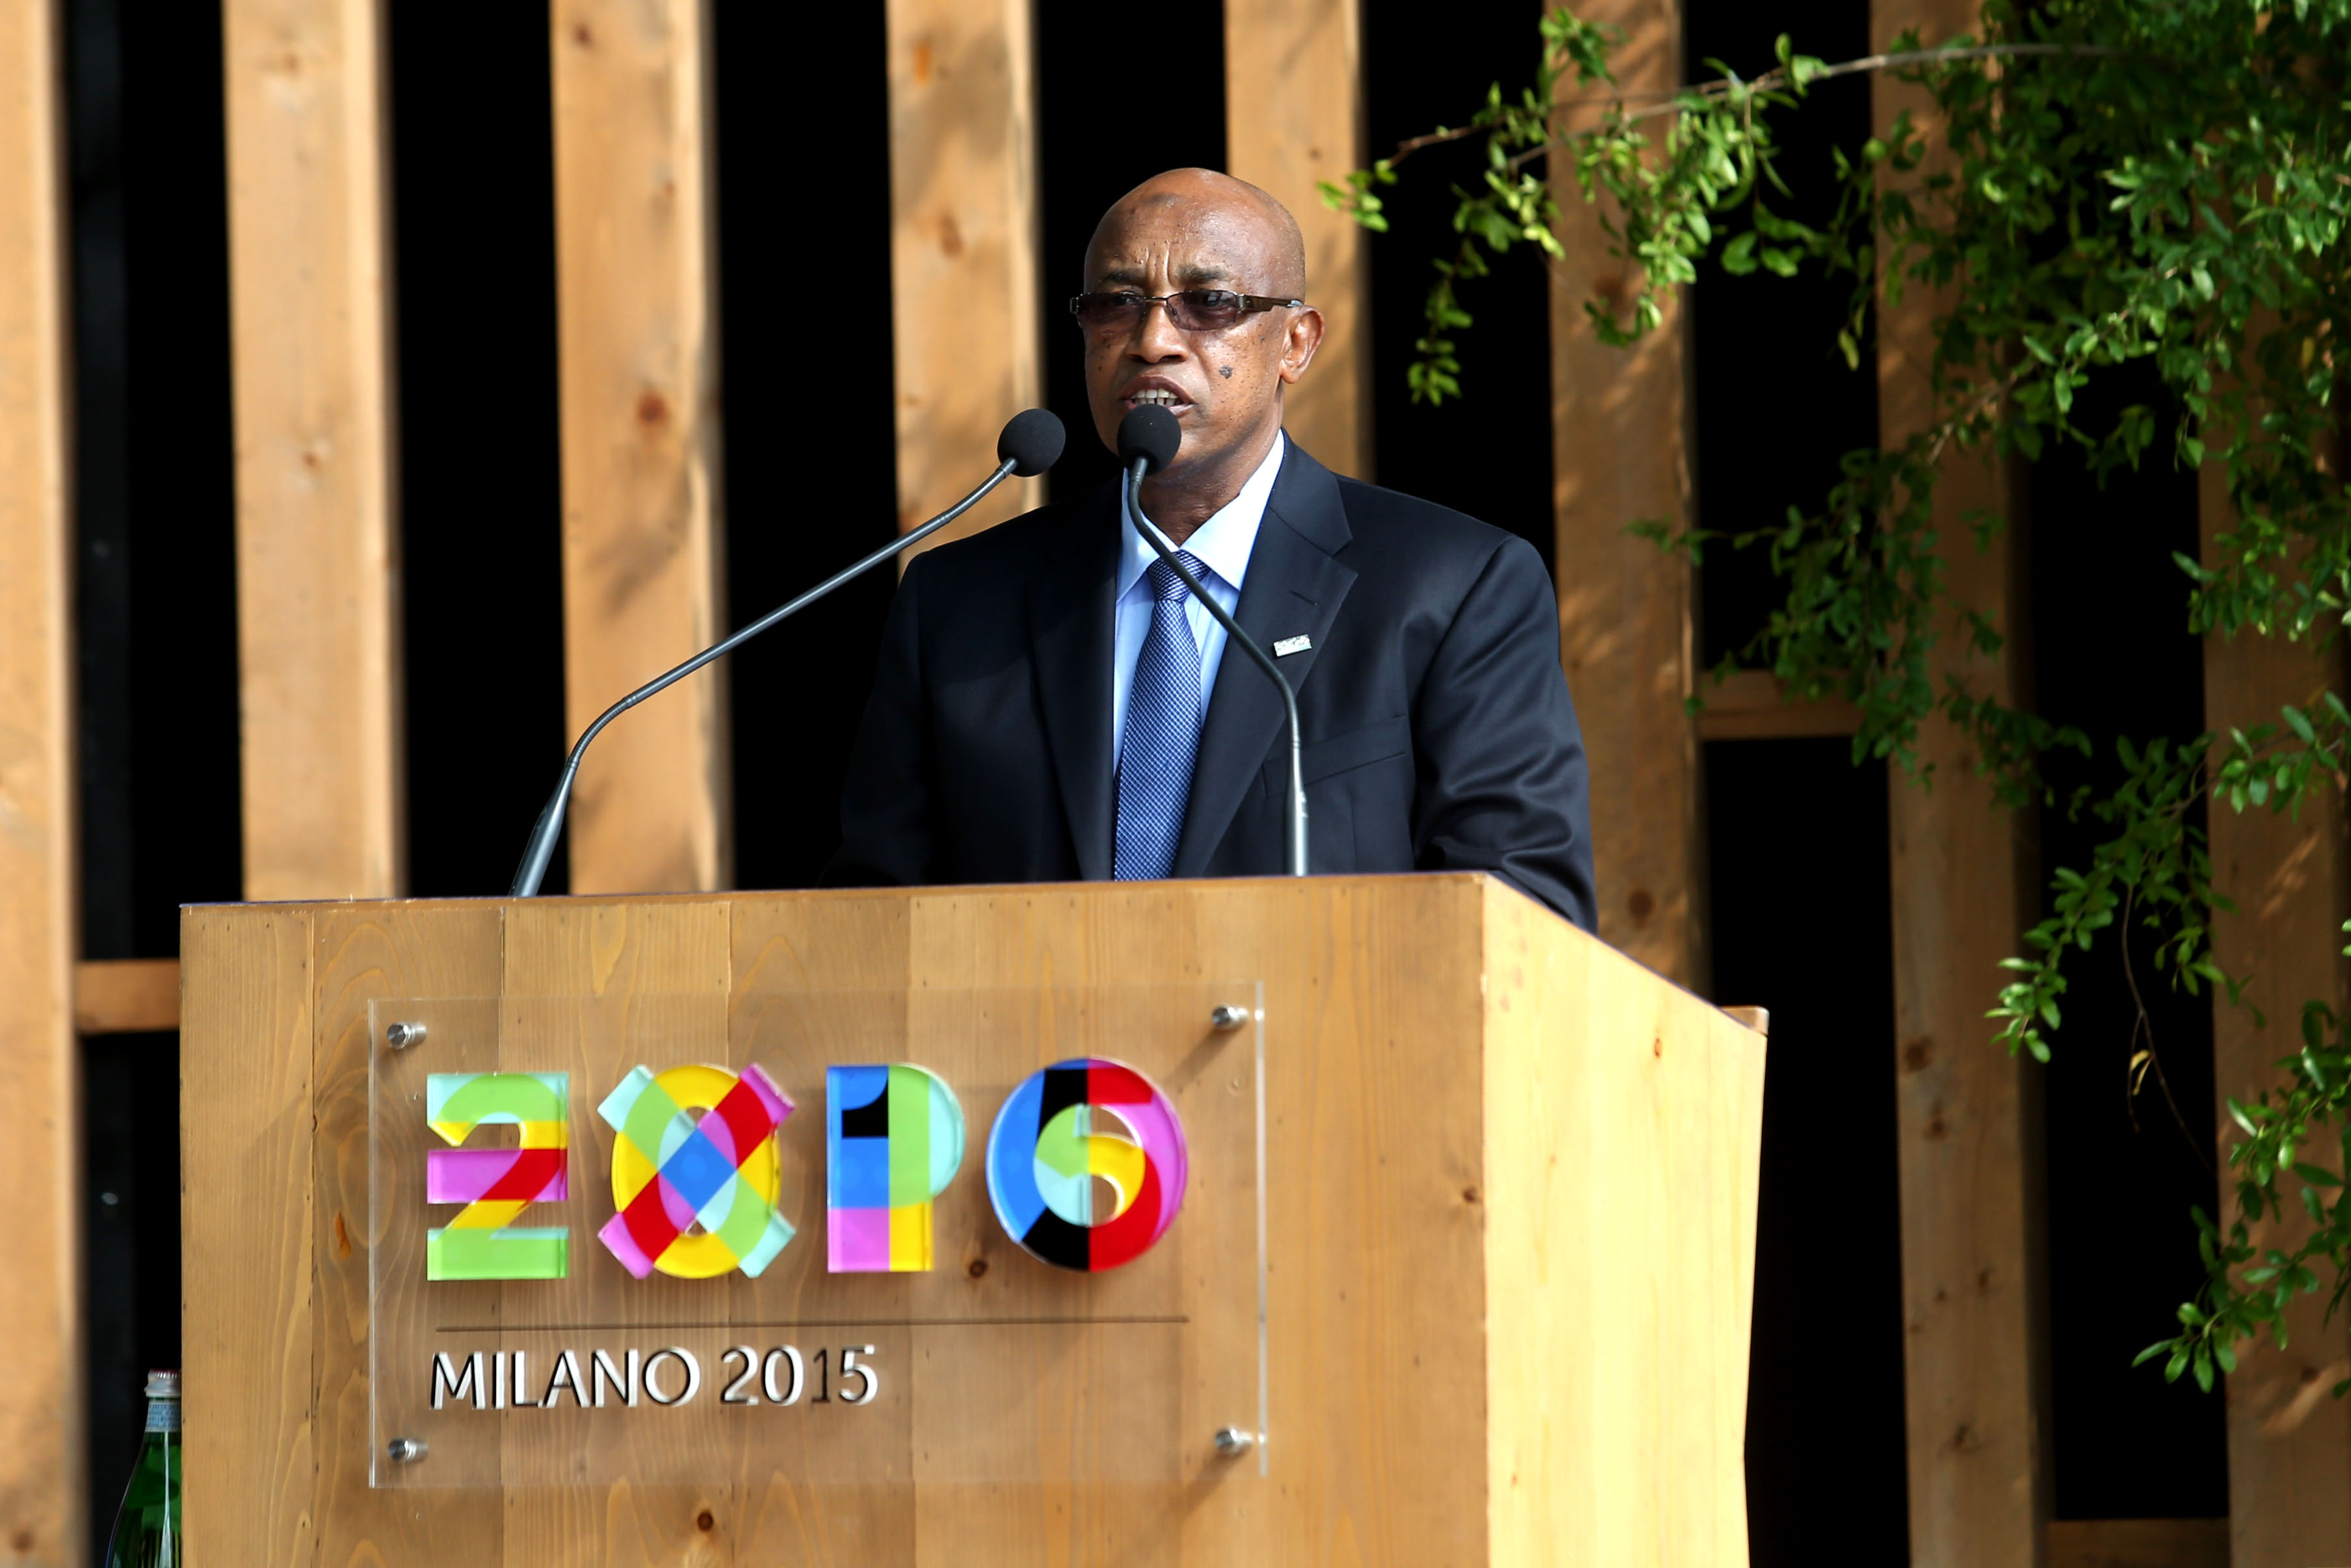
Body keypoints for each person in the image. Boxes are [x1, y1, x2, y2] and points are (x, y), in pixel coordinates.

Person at [828, 168, 1595, 928]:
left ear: (1296, 343)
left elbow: (1527, 916)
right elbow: (870, 924)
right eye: (1117, 304)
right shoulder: (957, 605)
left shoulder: (1453, 588)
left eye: (1210, 303)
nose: (1153, 342)